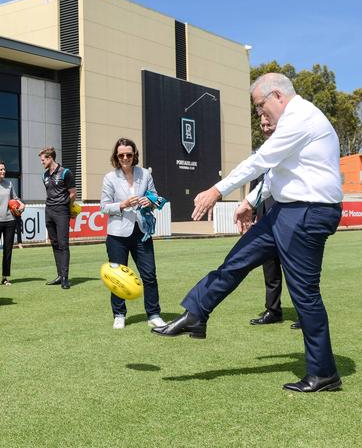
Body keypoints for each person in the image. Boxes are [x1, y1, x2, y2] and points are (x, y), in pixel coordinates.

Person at [152, 73, 344, 393]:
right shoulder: (290, 123)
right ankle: (197, 313)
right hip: (286, 211)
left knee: (304, 294)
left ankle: (324, 373)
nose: (259, 114)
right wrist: (249, 201)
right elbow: (275, 173)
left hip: (307, 212)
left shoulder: (301, 118)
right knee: (238, 258)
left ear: (277, 96)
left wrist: (217, 190)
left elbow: (261, 161)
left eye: (259, 106)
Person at [100, 138, 165, 329]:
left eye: (129, 154)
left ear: (134, 155)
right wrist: (123, 204)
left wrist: (149, 201)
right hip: (117, 235)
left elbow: (157, 198)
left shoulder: (145, 174)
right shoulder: (110, 178)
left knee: (149, 275)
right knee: (117, 277)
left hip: (142, 232)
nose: (125, 158)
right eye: (121, 155)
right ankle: (119, 314)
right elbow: (103, 207)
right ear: (116, 157)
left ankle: (153, 314)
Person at [248, 115, 299, 329]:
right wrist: (251, 213)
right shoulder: (259, 153)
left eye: (269, 123)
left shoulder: (290, 148)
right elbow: (255, 183)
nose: (265, 127)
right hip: (265, 220)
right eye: (262, 125)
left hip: (289, 218)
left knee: (296, 271)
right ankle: (273, 311)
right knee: (270, 271)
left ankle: (305, 315)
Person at [39, 147, 77, 289]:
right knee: (54, 244)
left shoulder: (66, 172)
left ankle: (65, 278)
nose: (42, 163)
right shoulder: (44, 176)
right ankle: (60, 275)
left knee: (63, 244)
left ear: (50, 158)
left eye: (43, 160)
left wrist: (68, 207)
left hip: (62, 211)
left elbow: (73, 193)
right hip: (48, 211)